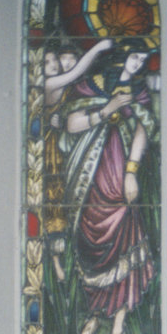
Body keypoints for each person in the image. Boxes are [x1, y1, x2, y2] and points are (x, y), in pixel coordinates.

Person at [63, 40, 157, 334]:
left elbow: (145, 128)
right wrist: (107, 109)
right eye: (134, 55)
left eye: (142, 58)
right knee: (89, 244)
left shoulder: (140, 91)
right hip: (89, 175)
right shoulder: (93, 85)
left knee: (124, 242)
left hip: (120, 176)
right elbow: (70, 123)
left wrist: (131, 171)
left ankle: (118, 326)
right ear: (121, 56)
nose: (137, 62)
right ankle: (95, 314)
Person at [41, 39, 112, 282]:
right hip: (52, 155)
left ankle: (75, 259)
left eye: (56, 59)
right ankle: (57, 264)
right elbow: (78, 72)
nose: (55, 64)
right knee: (54, 202)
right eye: (48, 61)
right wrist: (99, 48)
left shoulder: (73, 87)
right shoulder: (49, 84)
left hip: (72, 150)